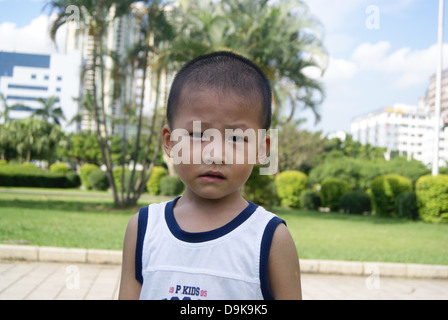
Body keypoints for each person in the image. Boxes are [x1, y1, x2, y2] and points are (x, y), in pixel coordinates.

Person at [119, 51, 302, 300]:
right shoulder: (143, 228)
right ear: (169, 142)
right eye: (197, 134)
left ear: (262, 149)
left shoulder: (270, 238)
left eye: (236, 138)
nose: (215, 154)